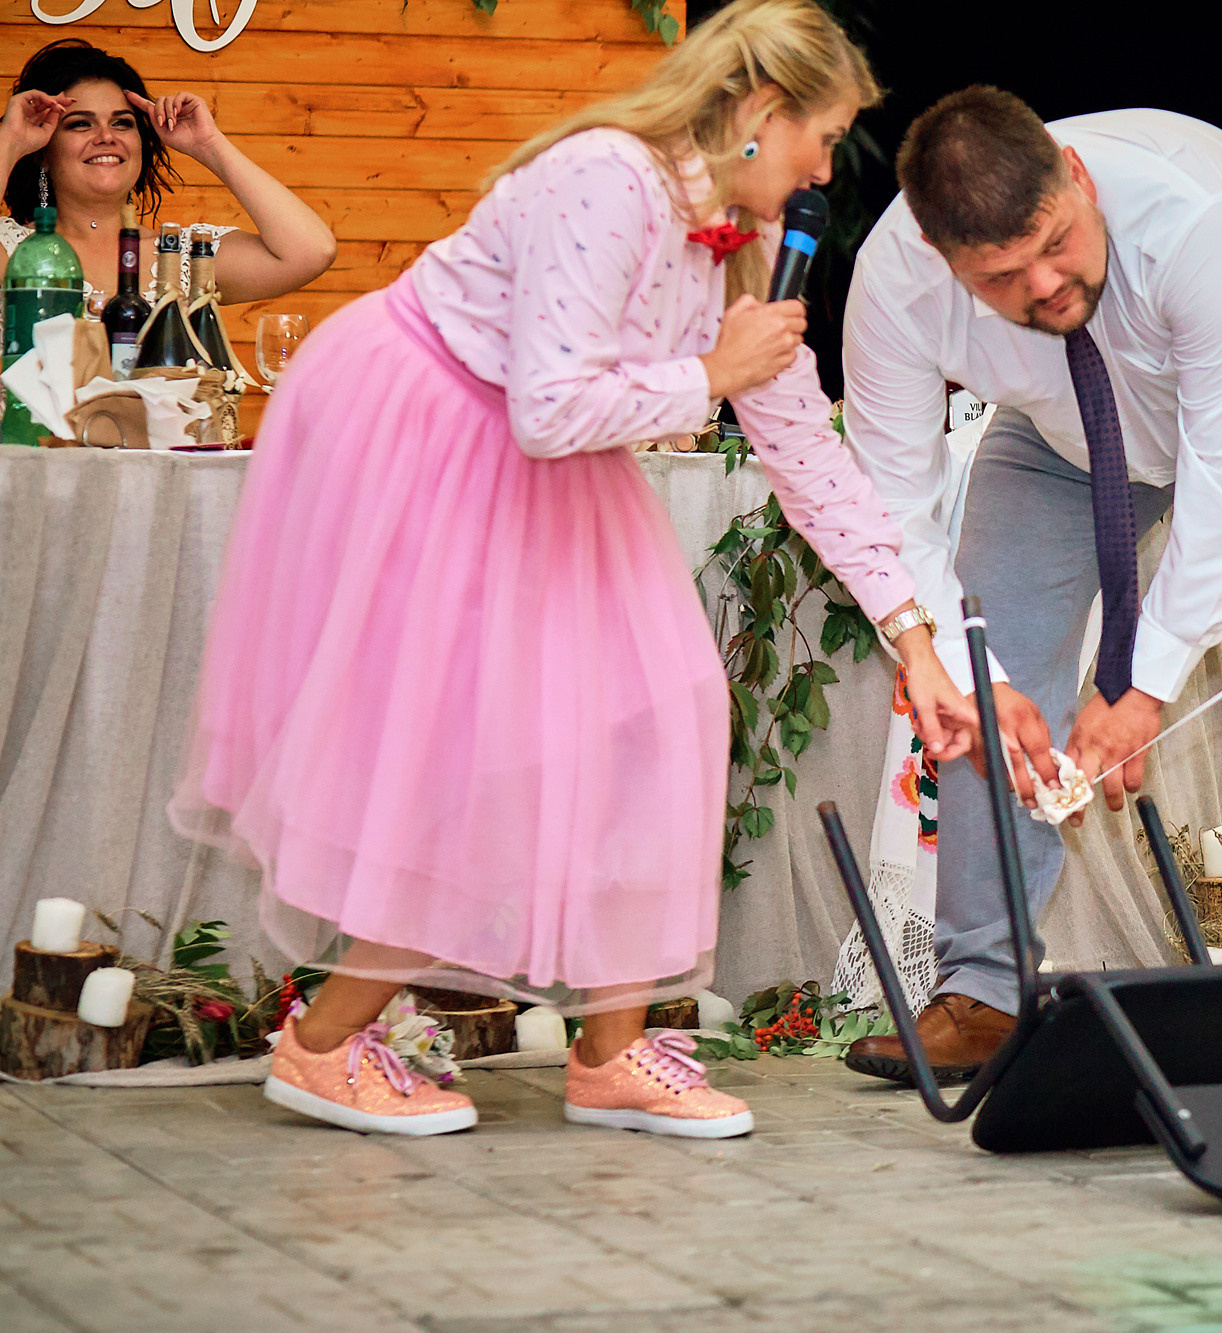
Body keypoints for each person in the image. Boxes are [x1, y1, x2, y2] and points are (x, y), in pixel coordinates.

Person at [169, 0, 975, 1140]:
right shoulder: (607, 177)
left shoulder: (740, 243)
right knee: (466, 749)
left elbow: (802, 447)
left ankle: (609, 1055)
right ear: (760, 109)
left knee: (663, 706)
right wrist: (710, 373)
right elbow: (549, 405)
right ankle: (321, 1047)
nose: (821, 171)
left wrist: (914, 640)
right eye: (823, 136)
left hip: (553, 454)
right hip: (434, 425)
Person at [840, 89, 1222, 1083]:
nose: (1046, 285)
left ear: (1077, 176)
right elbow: (892, 510)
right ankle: (984, 990)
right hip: (1063, 429)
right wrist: (968, 676)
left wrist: (1141, 685)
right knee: (985, 653)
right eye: (1002, 278)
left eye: (1057, 242)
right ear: (941, 256)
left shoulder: (1197, 214)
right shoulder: (894, 280)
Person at [0, 39, 335, 305]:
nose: (106, 136)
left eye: (122, 123)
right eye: (80, 124)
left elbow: (311, 252)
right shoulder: (10, 251)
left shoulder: (184, 257)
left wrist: (209, 145)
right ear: (42, 151)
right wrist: (10, 141)